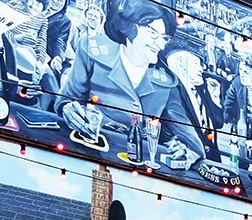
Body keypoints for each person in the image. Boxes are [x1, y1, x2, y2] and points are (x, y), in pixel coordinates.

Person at [56, 0, 196, 158]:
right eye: (153, 33)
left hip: (138, 166)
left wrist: (187, 152)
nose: (160, 45)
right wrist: (67, 108)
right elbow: (66, 99)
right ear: (130, 27)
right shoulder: (91, 50)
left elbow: (192, 142)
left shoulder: (167, 82)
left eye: (163, 38)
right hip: (86, 152)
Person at [163, 30, 220, 163]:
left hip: (211, 165)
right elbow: (185, 134)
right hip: (191, 165)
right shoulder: (171, 92)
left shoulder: (199, 91)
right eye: (196, 63)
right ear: (181, 62)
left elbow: (218, 123)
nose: (202, 69)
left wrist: (215, 97)